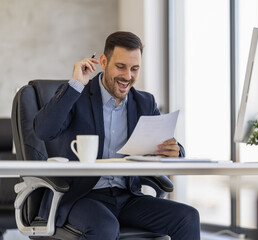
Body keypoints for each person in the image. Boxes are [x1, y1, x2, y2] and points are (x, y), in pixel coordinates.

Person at [34, 31, 200, 240]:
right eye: (120, 66)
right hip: (82, 196)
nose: (127, 76)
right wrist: (75, 84)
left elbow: (166, 145)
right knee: (105, 227)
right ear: (103, 61)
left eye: (134, 68)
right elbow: (44, 131)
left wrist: (176, 152)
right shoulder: (78, 95)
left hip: (128, 197)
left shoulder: (145, 103)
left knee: (188, 217)